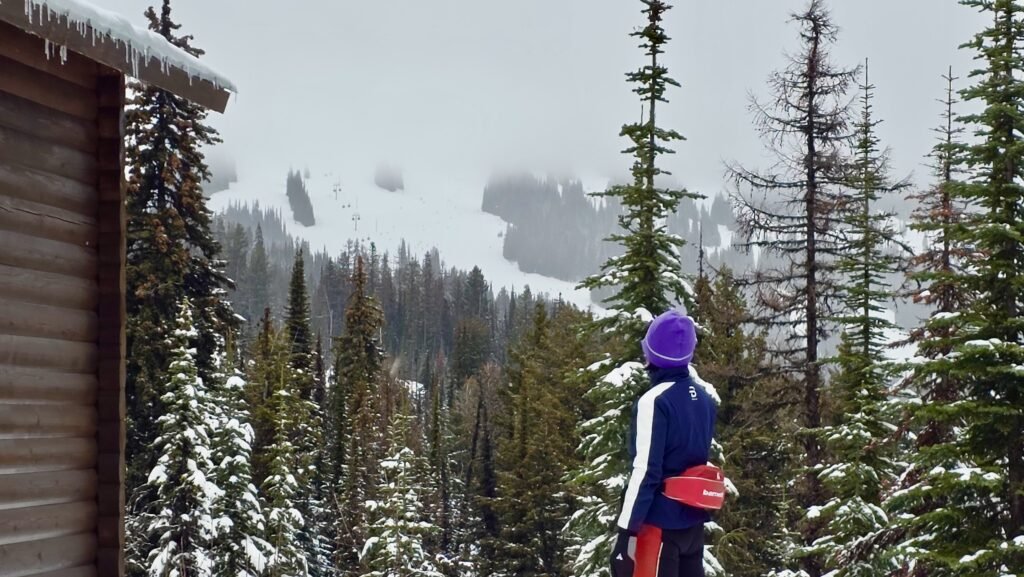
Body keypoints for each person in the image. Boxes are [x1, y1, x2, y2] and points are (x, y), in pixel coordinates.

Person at [610, 309, 718, 577]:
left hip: (659, 529)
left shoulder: (654, 401)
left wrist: (625, 534)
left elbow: (646, 470)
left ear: (653, 354)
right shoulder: (704, 399)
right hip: (692, 527)